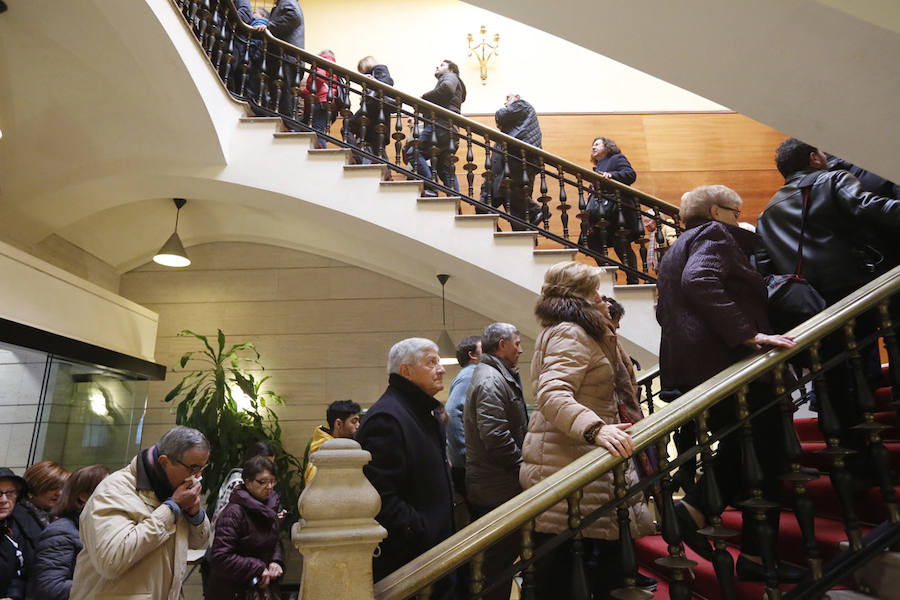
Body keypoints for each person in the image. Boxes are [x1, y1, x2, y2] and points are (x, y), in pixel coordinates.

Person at [656, 184, 804, 583]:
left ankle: (705, 514)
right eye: (736, 212)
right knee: (769, 453)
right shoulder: (716, 235)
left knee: (744, 447)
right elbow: (701, 279)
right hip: (732, 363)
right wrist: (747, 334)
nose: (740, 219)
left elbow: (664, 310)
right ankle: (749, 549)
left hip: (700, 371)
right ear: (718, 211)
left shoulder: (674, 248)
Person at [756, 138, 900, 459]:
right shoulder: (832, 179)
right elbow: (867, 206)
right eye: (823, 153)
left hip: (809, 307)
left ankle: (850, 450)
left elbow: (763, 270)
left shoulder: (767, 212)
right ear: (814, 157)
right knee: (871, 353)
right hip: (853, 290)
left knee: (834, 372)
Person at [521, 261, 656, 599]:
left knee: (575, 569)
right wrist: (596, 429)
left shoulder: (575, 329)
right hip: (567, 458)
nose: (601, 296)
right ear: (579, 296)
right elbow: (551, 394)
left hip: (571, 458)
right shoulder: (572, 332)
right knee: (561, 575)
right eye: (594, 290)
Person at [356, 338, 455, 600]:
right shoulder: (387, 418)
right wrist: (423, 530)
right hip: (410, 563)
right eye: (431, 362)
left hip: (433, 555)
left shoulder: (421, 412)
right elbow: (380, 497)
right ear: (406, 371)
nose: (441, 368)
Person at [69, 426, 211, 600]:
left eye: (202, 469)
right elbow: (111, 560)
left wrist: (195, 514)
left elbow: (196, 543)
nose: (196, 477)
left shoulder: (172, 489)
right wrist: (171, 509)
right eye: (193, 468)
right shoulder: (114, 490)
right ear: (164, 462)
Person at [463, 323, 527, 600]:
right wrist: (522, 466)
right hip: (497, 487)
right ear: (501, 344)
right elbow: (496, 437)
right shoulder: (491, 380)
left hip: (497, 484)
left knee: (498, 564)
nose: (521, 349)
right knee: (497, 566)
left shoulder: (494, 375)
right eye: (516, 343)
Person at [208, 456, 284, 600]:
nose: (269, 487)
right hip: (232, 590)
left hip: (260, 587)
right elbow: (220, 557)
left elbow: (273, 539)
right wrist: (257, 567)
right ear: (247, 483)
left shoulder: (270, 505)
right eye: (262, 482)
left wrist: (275, 561)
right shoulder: (234, 512)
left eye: (272, 481)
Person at [32, 465, 109, 600]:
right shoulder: (61, 531)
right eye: (107, 488)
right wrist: (111, 588)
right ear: (83, 496)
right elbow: (50, 586)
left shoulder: (95, 526)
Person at [583, 137, 643, 283]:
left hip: (617, 210)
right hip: (602, 212)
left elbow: (630, 174)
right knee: (592, 241)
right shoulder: (598, 166)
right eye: (592, 145)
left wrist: (612, 175)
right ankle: (609, 272)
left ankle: (633, 279)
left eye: (597, 144)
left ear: (607, 146)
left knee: (620, 242)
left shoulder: (616, 158)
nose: (593, 147)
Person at [480, 94, 544, 229]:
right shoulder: (512, 128)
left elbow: (501, 115)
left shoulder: (522, 104)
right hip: (514, 162)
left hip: (520, 159)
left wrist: (500, 115)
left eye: (508, 99)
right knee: (508, 207)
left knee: (509, 196)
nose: (505, 103)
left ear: (517, 96)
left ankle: (536, 212)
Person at [416, 60, 466, 194]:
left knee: (414, 152)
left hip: (440, 125)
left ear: (451, 70)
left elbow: (446, 89)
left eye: (442, 65)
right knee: (445, 169)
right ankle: (455, 201)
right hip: (451, 129)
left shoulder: (450, 77)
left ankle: (431, 187)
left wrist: (423, 98)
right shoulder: (454, 81)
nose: (437, 66)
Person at [445, 335, 482, 498]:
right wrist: (466, 455)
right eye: (484, 349)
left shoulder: (469, 374)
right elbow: (452, 413)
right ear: (472, 355)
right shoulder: (471, 374)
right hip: (468, 466)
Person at [12, 461, 70, 561]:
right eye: (53, 487)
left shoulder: (57, 517)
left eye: (63, 488)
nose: (59, 493)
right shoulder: (13, 517)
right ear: (34, 488)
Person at [257, 0, 304, 115]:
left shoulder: (287, 1)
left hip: (286, 58)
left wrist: (269, 26)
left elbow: (294, 17)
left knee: (285, 98)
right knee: (284, 97)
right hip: (288, 58)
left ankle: (290, 128)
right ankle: (290, 126)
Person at [347, 56, 395, 163]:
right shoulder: (374, 72)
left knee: (347, 127)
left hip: (373, 112)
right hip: (377, 115)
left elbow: (388, 82)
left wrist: (373, 82)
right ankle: (388, 176)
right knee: (378, 149)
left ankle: (356, 156)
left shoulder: (379, 69)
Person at [302, 399, 361, 485]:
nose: (358, 426)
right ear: (338, 424)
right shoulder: (322, 456)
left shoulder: (340, 448)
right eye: (354, 422)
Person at [300, 49, 339, 148]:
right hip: (328, 102)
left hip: (320, 101)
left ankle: (322, 155)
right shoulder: (334, 67)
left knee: (318, 131)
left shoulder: (322, 62)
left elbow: (318, 77)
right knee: (318, 130)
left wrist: (308, 91)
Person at [0, 467, 29, 600]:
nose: (4, 500)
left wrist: (13, 596)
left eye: (10, 493)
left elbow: (20, 572)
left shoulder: (17, 529)